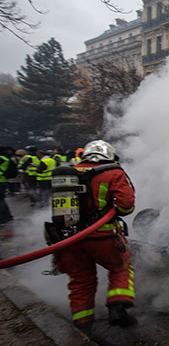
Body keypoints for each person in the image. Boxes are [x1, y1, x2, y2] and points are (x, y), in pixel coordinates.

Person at [54, 140, 137, 331]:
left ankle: (83, 325)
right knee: (120, 267)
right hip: (102, 235)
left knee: (81, 280)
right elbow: (126, 205)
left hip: (68, 238)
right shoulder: (112, 172)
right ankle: (118, 307)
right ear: (109, 155)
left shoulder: (69, 172)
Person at [0, 147, 15, 224]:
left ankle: (2, 218)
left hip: (1, 180)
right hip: (3, 180)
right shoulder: (6, 158)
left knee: (0, 200)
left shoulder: (1, 158)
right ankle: (8, 216)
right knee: (2, 199)